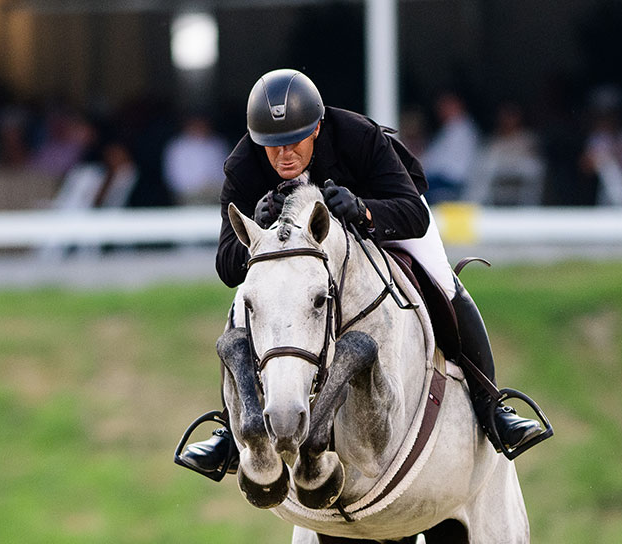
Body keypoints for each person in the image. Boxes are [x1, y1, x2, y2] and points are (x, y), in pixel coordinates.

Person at [178, 69, 549, 477]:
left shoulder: (357, 136)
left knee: (443, 281)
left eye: (294, 142)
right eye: (272, 146)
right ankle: (232, 436)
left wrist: (363, 209)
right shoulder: (244, 165)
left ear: (317, 127)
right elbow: (226, 265)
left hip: (384, 220)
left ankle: (492, 408)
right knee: (246, 300)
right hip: (297, 256)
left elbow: (412, 214)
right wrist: (257, 223)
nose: (283, 155)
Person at [162, 116, 229, 205]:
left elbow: (226, 171)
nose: (199, 127)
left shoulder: (217, 144)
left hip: (215, 195)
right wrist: (197, 187)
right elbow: (174, 177)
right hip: (188, 196)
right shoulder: (177, 146)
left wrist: (212, 186)